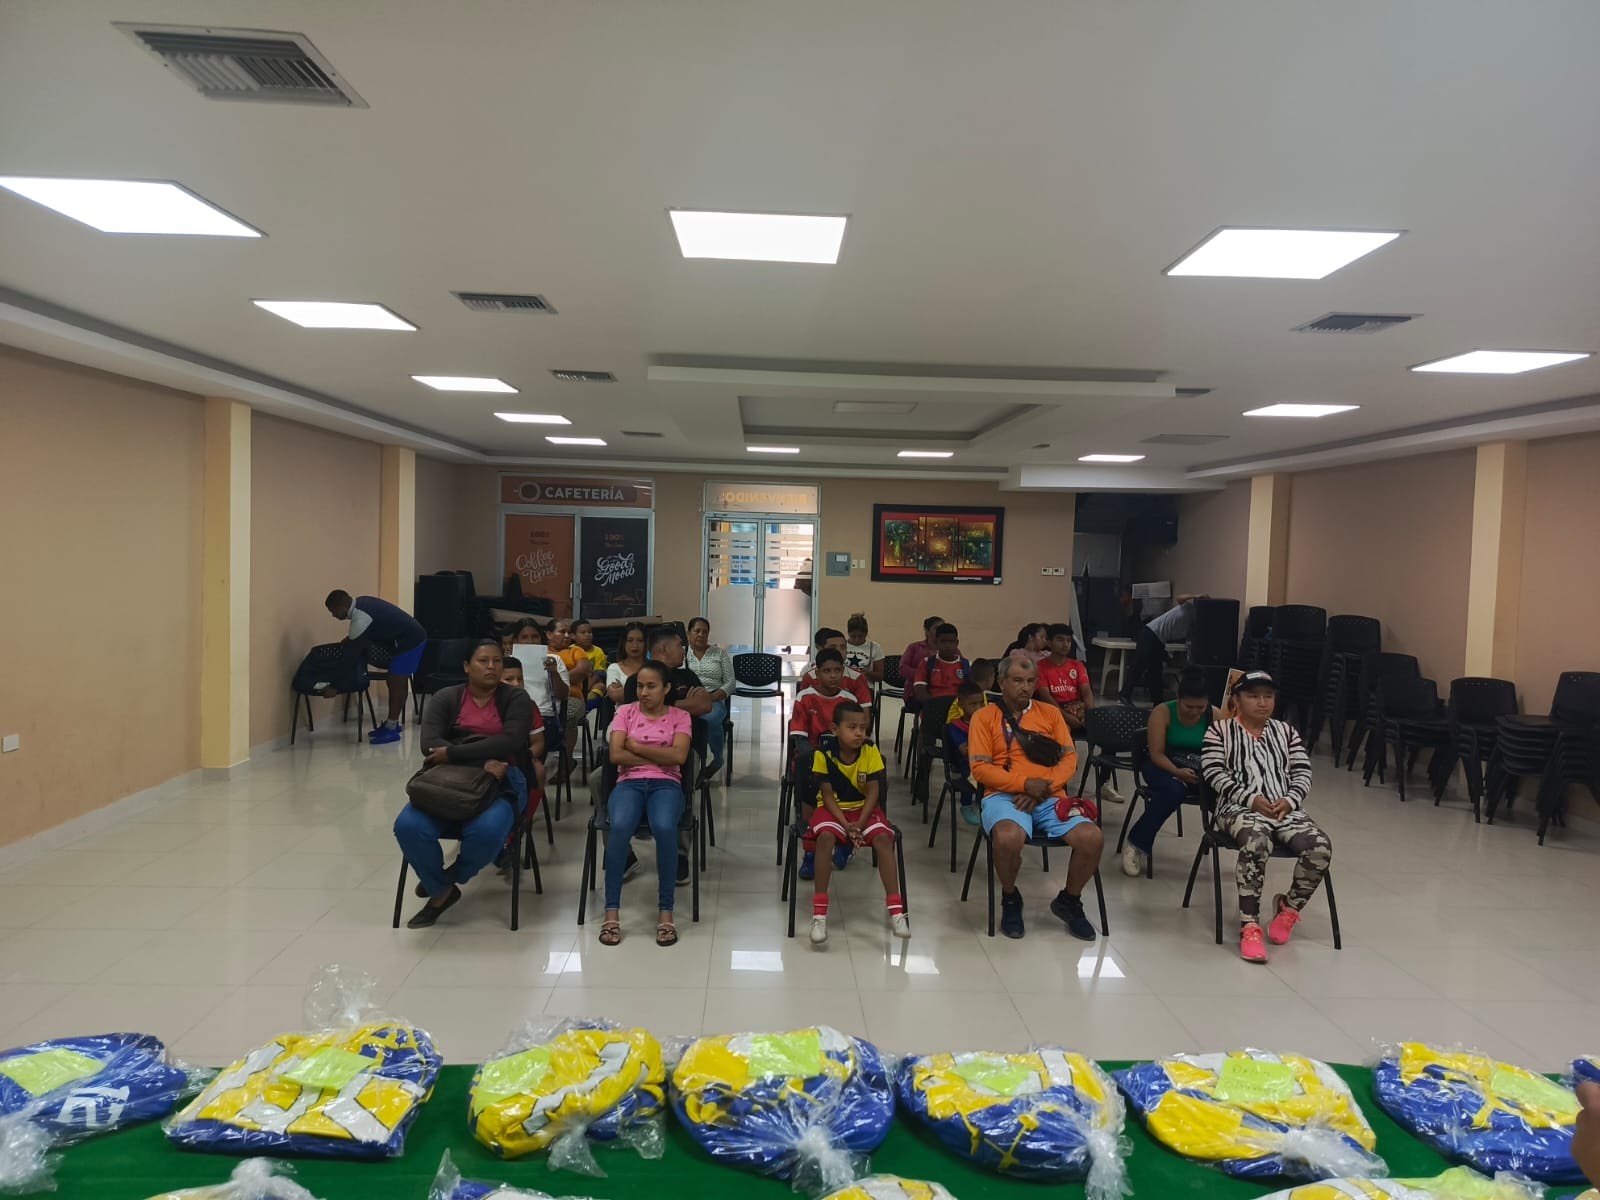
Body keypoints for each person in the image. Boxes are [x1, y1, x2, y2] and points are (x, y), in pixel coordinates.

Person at [394, 640, 531, 928]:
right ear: (467, 666)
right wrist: (481, 760)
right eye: (483, 661)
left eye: (497, 661)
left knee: (487, 831)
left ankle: (445, 880)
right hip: (447, 781)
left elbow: (511, 741)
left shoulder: (515, 698)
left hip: (502, 780)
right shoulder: (446, 697)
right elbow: (430, 744)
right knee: (408, 826)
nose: (492, 666)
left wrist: (453, 752)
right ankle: (442, 893)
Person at [1199, 669, 1333, 964]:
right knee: (1257, 842)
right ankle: (1250, 926)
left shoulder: (1286, 732)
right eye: (1253, 696)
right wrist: (1250, 799)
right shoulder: (1219, 731)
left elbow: (1302, 772)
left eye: (1268, 696)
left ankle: (1289, 908)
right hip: (1237, 808)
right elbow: (1213, 772)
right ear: (1236, 700)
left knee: (1320, 847)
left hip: (1284, 809)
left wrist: (1290, 800)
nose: (1262, 702)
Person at [969, 653, 1104, 941]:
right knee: (1008, 838)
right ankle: (1010, 897)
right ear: (1001, 682)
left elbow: (1069, 759)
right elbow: (980, 769)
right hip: (1003, 795)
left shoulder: (1051, 714)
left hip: (1049, 795)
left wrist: (1042, 787)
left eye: (1031, 681)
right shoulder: (984, 717)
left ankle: (1069, 901)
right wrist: (1024, 784)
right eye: (1018, 681)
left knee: (1092, 838)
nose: (1025, 687)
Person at [600, 661, 691, 948]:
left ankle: (666, 912)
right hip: (629, 783)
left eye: (651, 686)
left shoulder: (680, 716)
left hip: (667, 784)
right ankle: (611, 911)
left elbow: (679, 757)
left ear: (666, 688)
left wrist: (637, 747)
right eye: (640, 686)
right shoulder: (624, 712)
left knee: (664, 827)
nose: (643, 692)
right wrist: (659, 756)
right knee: (620, 827)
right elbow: (616, 755)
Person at [805, 700, 908, 945]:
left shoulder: (871, 751)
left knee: (883, 839)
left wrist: (859, 824)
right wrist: (846, 825)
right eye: (852, 727)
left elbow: (874, 792)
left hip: (864, 811)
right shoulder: (822, 754)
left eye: (863, 727)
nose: (859, 733)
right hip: (833, 811)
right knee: (826, 838)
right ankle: (819, 915)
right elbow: (827, 796)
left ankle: (897, 912)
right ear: (835, 729)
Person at [1122, 668, 1219, 878]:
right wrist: (1177, 771)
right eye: (1189, 707)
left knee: (1224, 791)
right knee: (1174, 790)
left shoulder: (1215, 715)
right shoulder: (1163, 712)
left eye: (1201, 707)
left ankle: (1239, 837)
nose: (1195, 712)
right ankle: (1137, 843)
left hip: (1198, 767)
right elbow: (1156, 754)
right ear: (1178, 699)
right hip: (1162, 764)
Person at [323, 590, 427, 744]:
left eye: (332, 611)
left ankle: (391, 728)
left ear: (342, 607)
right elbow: (365, 631)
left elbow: (350, 658)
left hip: (411, 640)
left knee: (396, 680)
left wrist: (334, 686)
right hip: (408, 637)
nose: (333, 615)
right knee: (395, 680)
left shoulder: (360, 617)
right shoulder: (361, 602)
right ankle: (393, 724)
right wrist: (350, 640)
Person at [791, 648, 857, 879]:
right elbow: (799, 737)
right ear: (817, 673)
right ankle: (810, 853)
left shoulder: (849, 700)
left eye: (837, 670)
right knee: (806, 764)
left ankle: (845, 843)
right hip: (813, 760)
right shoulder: (805, 697)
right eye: (827, 671)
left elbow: (856, 736)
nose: (833, 675)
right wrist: (821, 760)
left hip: (844, 760)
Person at [911, 622, 970, 802]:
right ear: (936, 642)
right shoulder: (927, 664)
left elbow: (971, 694)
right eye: (943, 642)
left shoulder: (965, 665)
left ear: (957, 643)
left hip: (958, 718)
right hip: (934, 715)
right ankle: (922, 777)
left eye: (952, 642)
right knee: (925, 737)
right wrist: (935, 705)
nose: (948, 646)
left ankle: (968, 781)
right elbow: (919, 690)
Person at [1123, 593, 1203, 705]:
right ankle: (1125, 695)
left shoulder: (1194, 623)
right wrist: (1195, 596)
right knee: (1140, 666)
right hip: (1151, 633)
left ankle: (1157, 701)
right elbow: (1179, 597)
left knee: (1155, 670)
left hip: (1158, 639)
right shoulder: (1189, 608)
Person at [685, 617, 734, 778]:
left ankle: (717, 758)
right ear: (689, 633)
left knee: (709, 719)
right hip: (687, 700)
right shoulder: (682, 653)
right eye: (697, 631)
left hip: (714, 699)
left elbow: (730, 682)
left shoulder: (719, 654)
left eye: (704, 632)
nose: (701, 634)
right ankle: (690, 761)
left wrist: (712, 697)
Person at [498, 657, 548, 801]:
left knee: (538, 771)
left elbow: (538, 742)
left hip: (520, 757)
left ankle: (525, 813)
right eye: (509, 679)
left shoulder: (529, 706)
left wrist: (525, 757)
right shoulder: (486, 703)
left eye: (520, 679)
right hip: (487, 757)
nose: (516, 684)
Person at [546, 618, 593, 771]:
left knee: (568, 715)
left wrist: (557, 676)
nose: (567, 636)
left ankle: (566, 761)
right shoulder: (541, 651)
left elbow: (582, 671)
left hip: (572, 698)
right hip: (544, 698)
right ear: (549, 634)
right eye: (562, 632)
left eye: (569, 632)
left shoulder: (575, 651)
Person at [1035, 624, 1094, 734]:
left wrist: (1090, 715)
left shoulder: (1077, 665)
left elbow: (1087, 692)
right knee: (1063, 729)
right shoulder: (1040, 667)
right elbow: (1045, 696)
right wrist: (1065, 716)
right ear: (1049, 643)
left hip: (1077, 707)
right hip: (1054, 710)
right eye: (1060, 640)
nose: (1065, 644)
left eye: (1068, 640)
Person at [945, 680, 986, 826]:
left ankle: (990, 804)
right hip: (964, 763)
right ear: (961, 705)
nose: (979, 708)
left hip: (984, 760)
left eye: (981, 703)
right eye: (973, 704)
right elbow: (964, 751)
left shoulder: (986, 723)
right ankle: (966, 806)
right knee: (973, 773)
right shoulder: (955, 726)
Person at [798, 628, 874, 707]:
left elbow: (864, 712)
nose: (839, 651)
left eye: (843, 647)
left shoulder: (857, 677)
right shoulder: (810, 676)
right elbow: (804, 708)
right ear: (821, 649)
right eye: (833, 647)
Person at [605, 621, 648, 705]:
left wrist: (624, 690)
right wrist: (648, 690)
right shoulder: (614, 668)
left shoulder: (653, 667)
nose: (635, 645)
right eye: (630, 640)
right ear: (624, 643)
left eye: (640, 641)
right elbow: (614, 695)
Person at [899, 614, 944, 689]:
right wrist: (923, 675)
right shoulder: (914, 647)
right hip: (916, 689)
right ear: (927, 631)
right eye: (936, 628)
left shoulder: (951, 649)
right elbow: (903, 668)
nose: (940, 631)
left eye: (943, 628)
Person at [572, 619, 608, 701]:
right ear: (573, 636)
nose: (587, 635)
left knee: (600, 686)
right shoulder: (569, 650)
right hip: (574, 682)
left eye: (590, 632)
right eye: (583, 632)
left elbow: (599, 673)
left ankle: (589, 705)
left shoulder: (598, 651)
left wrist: (587, 687)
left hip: (592, 682)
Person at [844, 613, 886, 682]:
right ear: (848, 633)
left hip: (866, 685)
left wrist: (868, 673)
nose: (857, 640)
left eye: (860, 636)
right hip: (844, 684)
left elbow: (880, 677)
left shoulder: (875, 647)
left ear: (866, 634)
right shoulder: (842, 645)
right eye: (853, 636)